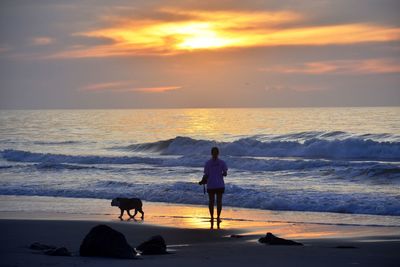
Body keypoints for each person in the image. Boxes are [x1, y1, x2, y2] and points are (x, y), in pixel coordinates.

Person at [202, 146, 228, 228]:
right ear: (218, 153)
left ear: (211, 153)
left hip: (211, 185)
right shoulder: (222, 162)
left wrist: (202, 181)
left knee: (211, 202)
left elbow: (206, 175)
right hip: (219, 184)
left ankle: (212, 217)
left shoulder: (208, 163)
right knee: (219, 202)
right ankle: (218, 217)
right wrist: (222, 174)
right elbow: (225, 173)